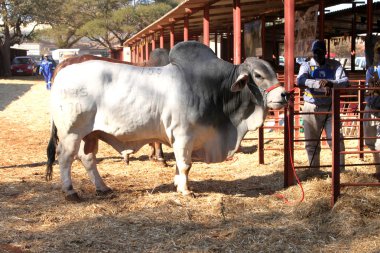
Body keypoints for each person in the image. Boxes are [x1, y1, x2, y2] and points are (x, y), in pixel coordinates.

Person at [297, 39, 349, 172]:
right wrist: (317, 83)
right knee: (311, 141)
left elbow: (344, 80)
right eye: (315, 52)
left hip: (330, 106)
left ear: (325, 53)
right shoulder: (306, 65)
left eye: (321, 52)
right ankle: (314, 171)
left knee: (336, 139)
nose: (318, 55)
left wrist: (330, 83)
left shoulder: (335, 65)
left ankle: (340, 171)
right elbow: (300, 80)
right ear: (312, 53)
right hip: (311, 106)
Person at [363, 40, 380, 181]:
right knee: (370, 141)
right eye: (378, 52)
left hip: (376, 106)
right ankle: (378, 169)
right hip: (371, 107)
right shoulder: (371, 70)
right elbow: (369, 89)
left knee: (379, 142)